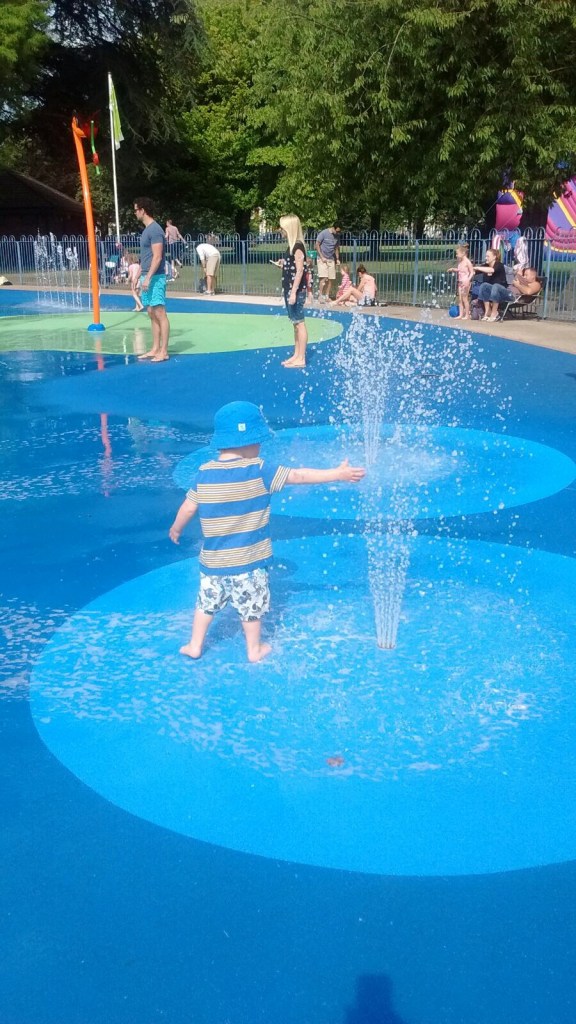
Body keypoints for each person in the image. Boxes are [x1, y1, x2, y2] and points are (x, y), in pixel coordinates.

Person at [168, 401, 365, 662]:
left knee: (205, 604)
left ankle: (195, 645)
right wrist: (337, 474)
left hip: (213, 563)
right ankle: (254, 649)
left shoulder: (204, 473)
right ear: (248, 442)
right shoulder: (260, 470)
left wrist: (176, 528)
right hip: (249, 563)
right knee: (252, 609)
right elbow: (299, 476)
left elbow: (188, 507)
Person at [133, 197, 170, 361]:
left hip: (155, 277)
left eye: (136, 210)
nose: (135, 213)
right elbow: (146, 257)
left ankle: (164, 351)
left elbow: (157, 256)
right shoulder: (147, 230)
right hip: (146, 275)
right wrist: (138, 275)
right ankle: (155, 348)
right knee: (151, 312)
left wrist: (148, 278)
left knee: (160, 312)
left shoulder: (155, 230)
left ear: (143, 210)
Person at [270, 214, 309, 368]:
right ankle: (296, 354)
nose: (281, 231)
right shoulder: (292, 246)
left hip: (296, 291)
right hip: (290, 289)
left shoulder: (298, 246)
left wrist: (293, 293)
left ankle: (301, 358)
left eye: (282, 228)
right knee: (295, 323)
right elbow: (294, 266)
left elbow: (300, 271)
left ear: (289, 228)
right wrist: (284, 263)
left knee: (299, 323)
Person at [477, 265, 542, 321]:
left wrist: (517, 285)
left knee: (496, 286)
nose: (524, 277)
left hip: (513, 296)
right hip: (507, 292)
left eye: (526, 275)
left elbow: (528, 292)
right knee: (484, 286)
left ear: (533, 276)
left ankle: (494, 313)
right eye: (524, 275)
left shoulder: (536, 284)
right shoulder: (523, 281)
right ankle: (488, 311)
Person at [448, 244, 474, 319]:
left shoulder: (467, 262)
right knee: (460, 299)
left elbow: (472, 272)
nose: (456, 255)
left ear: (463, 253)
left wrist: (468, 280)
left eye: (457, 254)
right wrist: (453, 269)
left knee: (465, 299)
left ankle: (467, 315)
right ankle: (461, 314)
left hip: (465, 282)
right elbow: (460, 270)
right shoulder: (460, 261)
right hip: (460, 282)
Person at [315, 223, 341, 301]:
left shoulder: (337, 236)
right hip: (322, 259)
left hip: (331, 259)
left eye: (339, 232)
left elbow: (336, 248)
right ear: (333, 228)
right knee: (323, 278)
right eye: (337, 231)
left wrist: (337, 259)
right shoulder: (324, 233)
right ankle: (320, 296)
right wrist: (321, 257)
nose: (338, 233)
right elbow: (317, 244)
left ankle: (327, 295)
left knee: (330, 278)